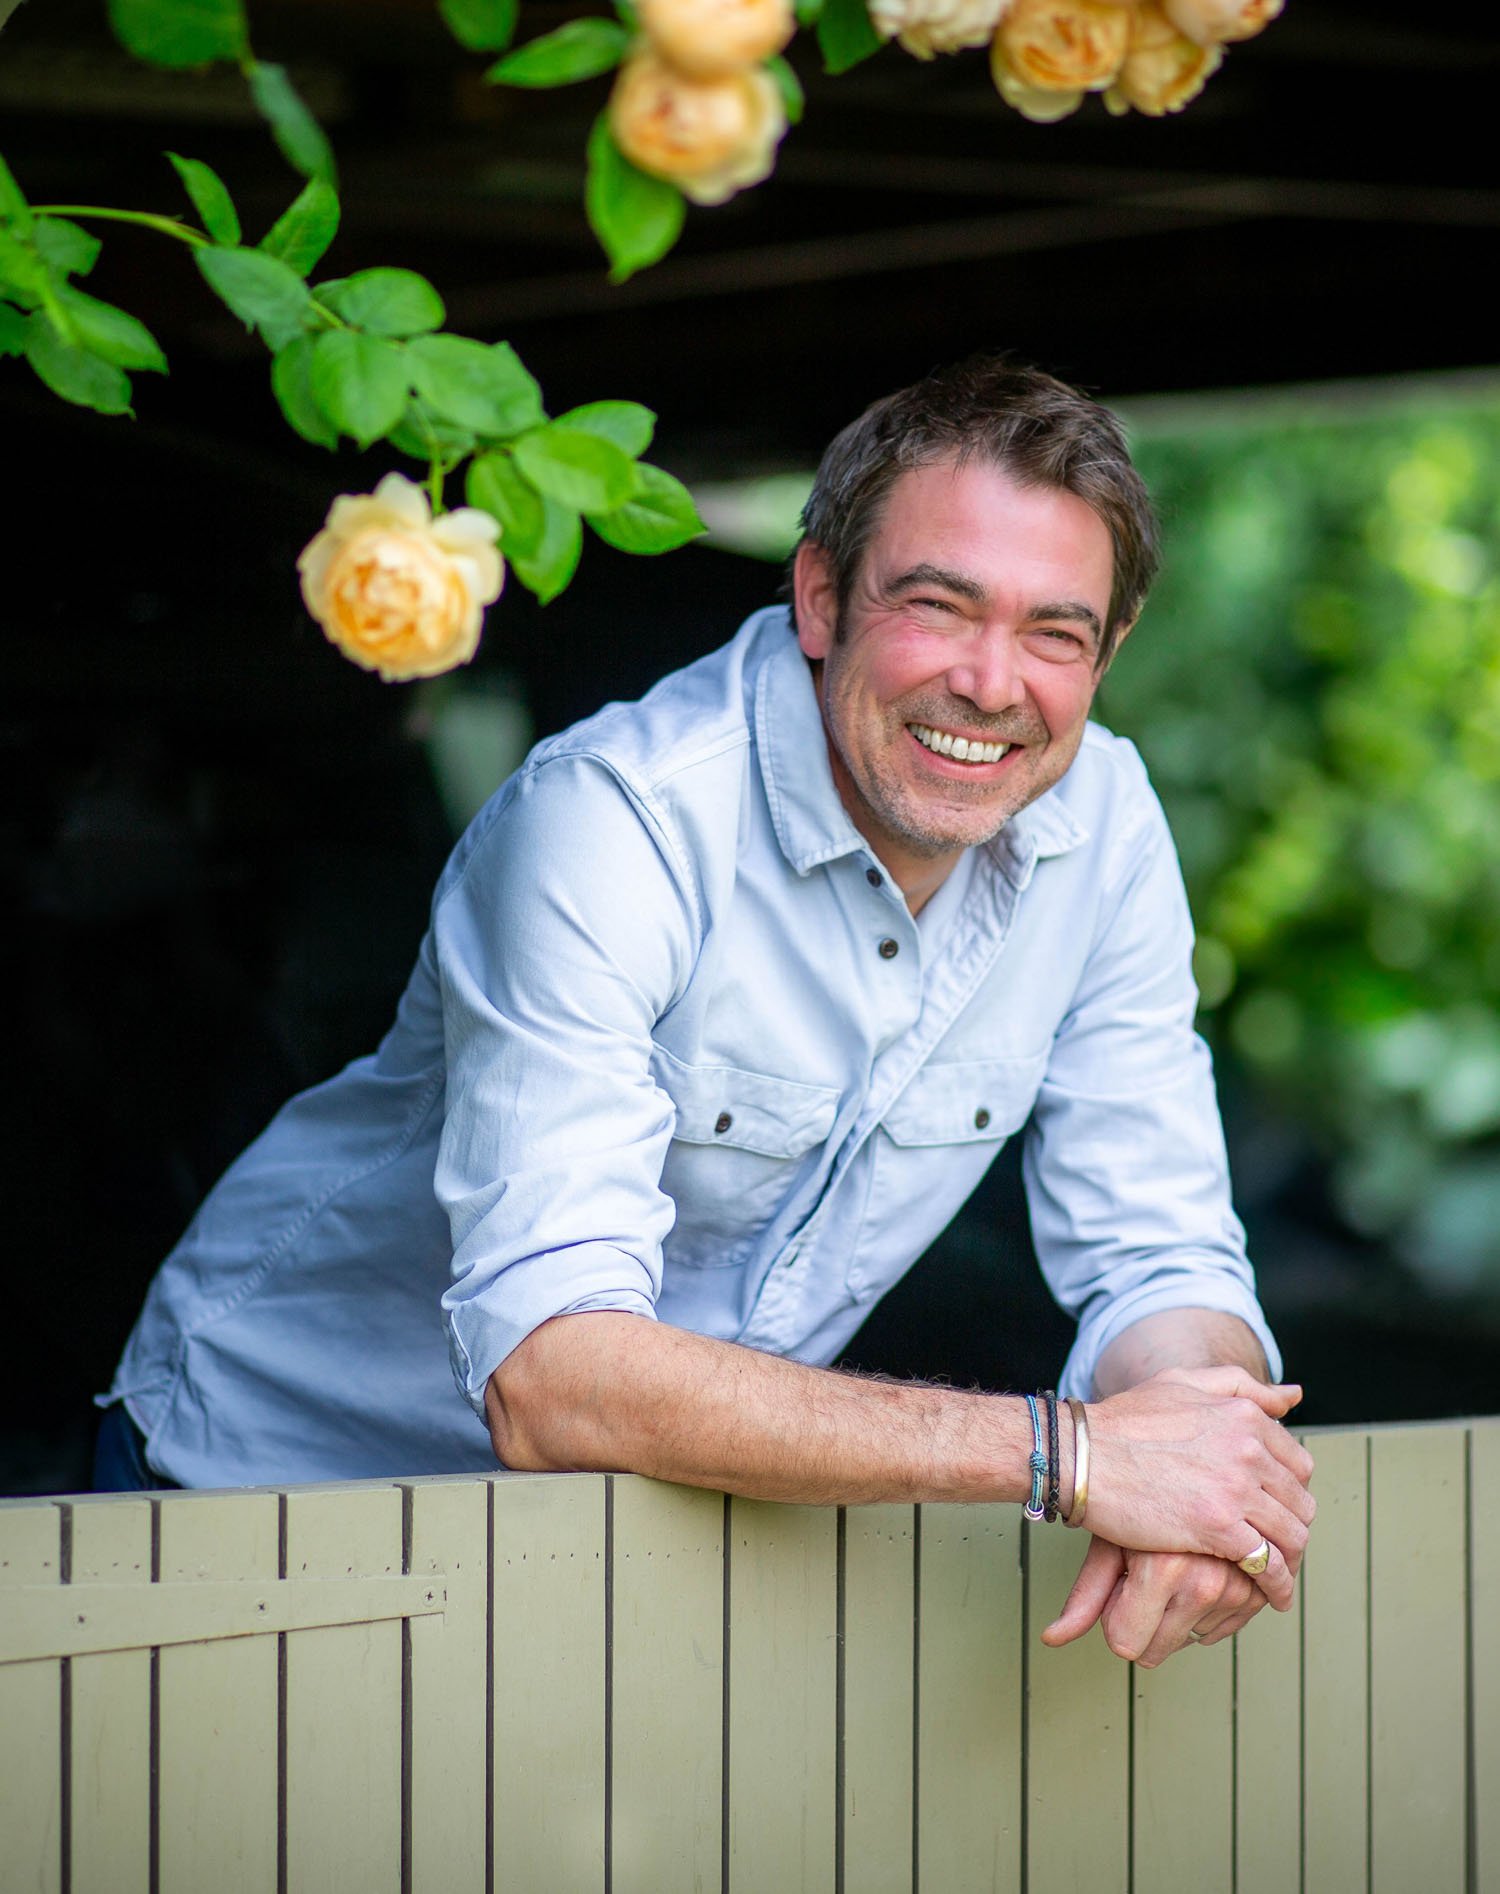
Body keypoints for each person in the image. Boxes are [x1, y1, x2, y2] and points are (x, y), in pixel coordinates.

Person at [100, 354, 1315, 1669]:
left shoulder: (1107, 826)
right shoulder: (614, 820)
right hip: (267, 1495)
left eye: (1054, 632)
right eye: (937, 604)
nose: (989, 680)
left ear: (1108, 650)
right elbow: (555, 1373)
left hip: (638, 1530)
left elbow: (1162, 1256)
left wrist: (1201, 1467)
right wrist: (1066, 1455)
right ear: (818, 595)